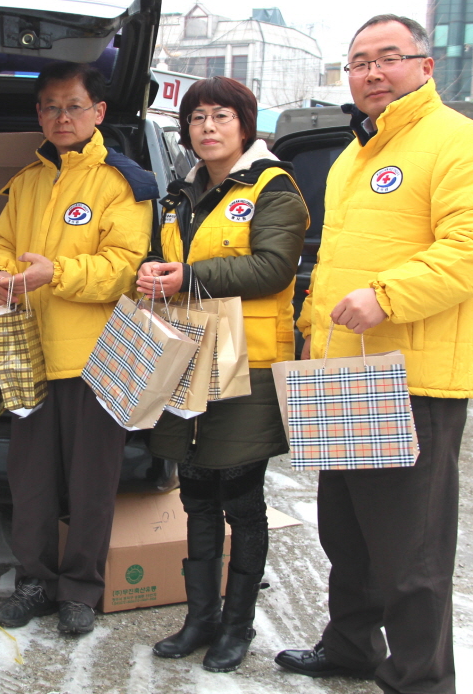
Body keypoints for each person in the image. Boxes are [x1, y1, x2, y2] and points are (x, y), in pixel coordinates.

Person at [275, 15, 473, 694]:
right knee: (346, 535)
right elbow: (336, 261)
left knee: (412, 553)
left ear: (425, 66)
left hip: (410, 380)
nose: (372, 72)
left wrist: (388, 295)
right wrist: (309, 322)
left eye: (388, 58)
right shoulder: (358, 154)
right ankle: (353, 645)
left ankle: (420, 679)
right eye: (358, 62)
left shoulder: (460, 144)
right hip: (345, 372)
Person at [0, 61, 157, 635]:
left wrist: (53, 273)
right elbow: (0, 243)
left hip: (96, 357)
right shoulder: (27, 181)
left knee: (91, 483)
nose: (62, 116)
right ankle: (33, 582)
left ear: (98, 113)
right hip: (28, 352)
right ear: (39, 115)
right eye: (51, 107)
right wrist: (0, 276)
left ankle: (81, 589)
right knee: (28, 479)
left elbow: (123, 269)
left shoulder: (123, 182)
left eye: (73, 105)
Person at [136, 77, 307, 672]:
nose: (207, 127)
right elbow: (166, 259)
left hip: (249, 362)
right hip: (187, 358)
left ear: (245, 124)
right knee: (196, 495)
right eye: (198, 117)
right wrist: (152, 274)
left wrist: (187, 277)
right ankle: (199, 618)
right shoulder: (180, 193)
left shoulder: (273, 187)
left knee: (241, 495)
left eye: (222, 116)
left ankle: (237, 626)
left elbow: (273, 268)